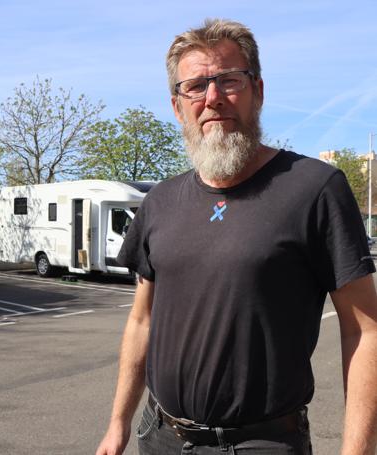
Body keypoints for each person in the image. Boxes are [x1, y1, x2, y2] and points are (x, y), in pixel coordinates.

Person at [96, 18, 377, 455]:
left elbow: (364, 330)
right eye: (195, 86)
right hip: (162, 438)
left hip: (264, 443)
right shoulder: (160, 201)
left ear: (257, 91)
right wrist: (117, 424)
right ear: (177, 105)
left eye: (229, 80)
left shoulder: (314, 188)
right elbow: (141, 321)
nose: (212, 98)